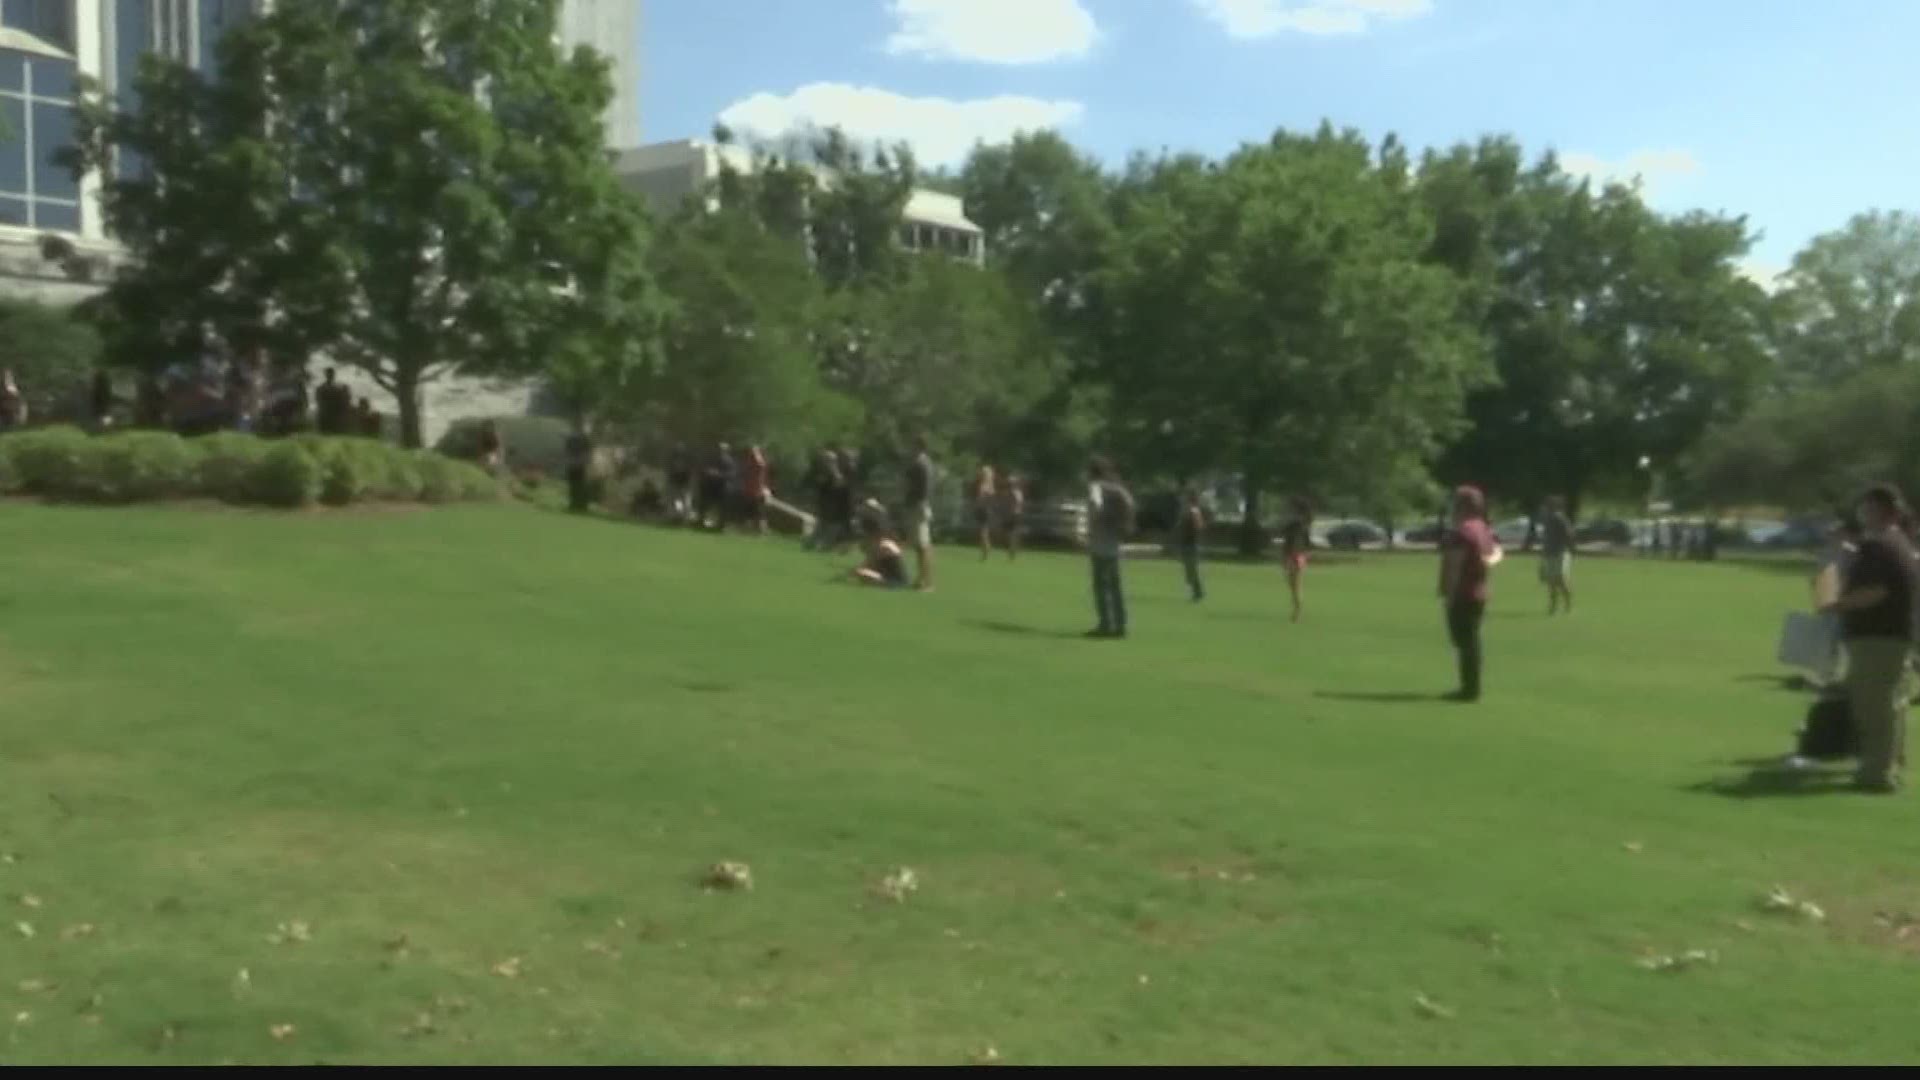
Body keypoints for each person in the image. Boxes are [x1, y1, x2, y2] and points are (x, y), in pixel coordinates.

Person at [1822, 485, 1918, 794]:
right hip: (1893, 634)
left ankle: (1876, 774)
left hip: (1877, 637)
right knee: (1891, 703)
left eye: (1867, 508)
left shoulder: (1880, 547)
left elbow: (1876, 591)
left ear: (1881, 511)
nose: (1863, 514)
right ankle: (1890, 763)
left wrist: (1837, 604)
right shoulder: (1897, 542)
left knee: (1874, 705)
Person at [1439, 485, 1501, 703]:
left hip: (1464, 592)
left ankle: (1469, 689)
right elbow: (1495, 556)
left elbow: (1455, 565)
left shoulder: (1462, 532)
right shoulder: (1484, 529)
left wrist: (1449, 595)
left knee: (1464, 642)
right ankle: (1471, 686)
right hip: (1480, 591)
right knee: (1471, 641)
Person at [1086, 456, 1136, 639]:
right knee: (1115, 587)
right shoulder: (1117, 488)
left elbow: (1095, 504)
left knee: (1101, 587)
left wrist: (1094, 523)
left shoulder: (1096, 487)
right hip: (1115, 542)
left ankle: (1105, 624)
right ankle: (1121, 625)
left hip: (1100, 542)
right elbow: (1130, 504)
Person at [904, 436, 936, 591]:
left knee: (923, 545)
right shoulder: (921, 463)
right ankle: (921, 579)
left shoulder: (922, 463)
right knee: (919, 545)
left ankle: (927, 581)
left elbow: (925, 487)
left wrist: (920, 502)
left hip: (919, 505)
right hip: (917, 504)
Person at [1539, 496, 1575, 616]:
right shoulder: (1547, 519)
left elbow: (1569, 533)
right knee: (1551, 581)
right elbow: (1546, 537)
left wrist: (1566, 547)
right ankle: (1553, 607)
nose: (1546, 507)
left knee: (1560, 580)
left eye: (1548, 505)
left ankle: (1567, 606)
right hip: (1550, 553)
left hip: (1559, 553)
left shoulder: (1560, 518)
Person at [1280, 497, 1313, 623]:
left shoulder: (1294, 525)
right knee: (1295, 586)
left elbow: (1288, 541)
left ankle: (1297, 613)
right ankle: (1296, 611)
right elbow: (1308, 543)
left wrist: (1286, 557)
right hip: (1299, 556)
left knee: (1295, 587)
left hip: (1293, 555)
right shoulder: (1303, 524)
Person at [1175, 487, 1207, 602]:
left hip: (1191, 544)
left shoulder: (1193, 511)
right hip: (1187, 543)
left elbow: (1199, 526)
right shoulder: (1189, 511)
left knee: (1192, 569)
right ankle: (1196, 592)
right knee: (1189, 569)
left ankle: (1198, 592)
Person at [741, 444, 771, 535]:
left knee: (759, 511)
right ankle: (750, 528)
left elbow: (760, 464)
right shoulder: (751, 463)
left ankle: (761, 529)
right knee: (751, 511)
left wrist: (756, 453)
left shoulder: (758, 463)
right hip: (751, 490)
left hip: (757, 491)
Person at [565, 425, 594, 514]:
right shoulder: (583, 439)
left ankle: (576, 504)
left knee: (576, 485)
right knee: (577, 485)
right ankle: (578, 505)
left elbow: (568, 450)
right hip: (578, 464)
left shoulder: (575, 439)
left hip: (576, 464)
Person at [973, 465, 998, 560]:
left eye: (983, 473)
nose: (981, 474)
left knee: (983, 532)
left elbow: (988, 499)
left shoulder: (987, 486)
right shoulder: (986, 485)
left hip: (984, 510)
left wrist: (982, 502)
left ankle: (986, 550)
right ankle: (985, 552)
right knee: (982, 532)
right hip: (982, 510)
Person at [998, 473, 1026, 561]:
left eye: (1011, 483)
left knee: (1011, 535)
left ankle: (1012, 553)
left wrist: (1012, 511)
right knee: (1007, 535)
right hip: (1011, 515)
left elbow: (1017, 504)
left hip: (1014, 515)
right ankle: (1012, 551)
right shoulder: (1010, 492)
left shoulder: (1016, 493)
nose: (1009, 484)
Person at [315, 368, 351, 434]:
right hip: (326, 411)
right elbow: (319, 400)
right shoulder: (321, 387)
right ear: (326, 375)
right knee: (325, 431)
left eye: (331, 374)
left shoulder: (338, 387)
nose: (330, 376)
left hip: (334, 412)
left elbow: (343, 400)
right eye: (328, 374)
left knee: (333, 431)